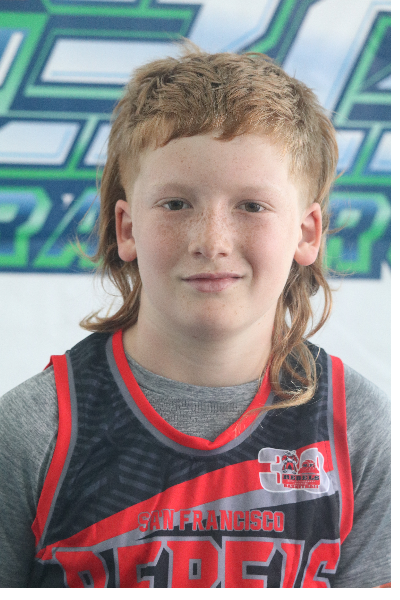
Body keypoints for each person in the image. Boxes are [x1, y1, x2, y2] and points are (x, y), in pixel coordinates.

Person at [0, 47, 390, 588]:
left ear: (307, 234)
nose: (212, 241)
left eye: (251, 206)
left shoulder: (357, 430)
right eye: (176, 204)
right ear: (127, 228)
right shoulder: (36, 430)